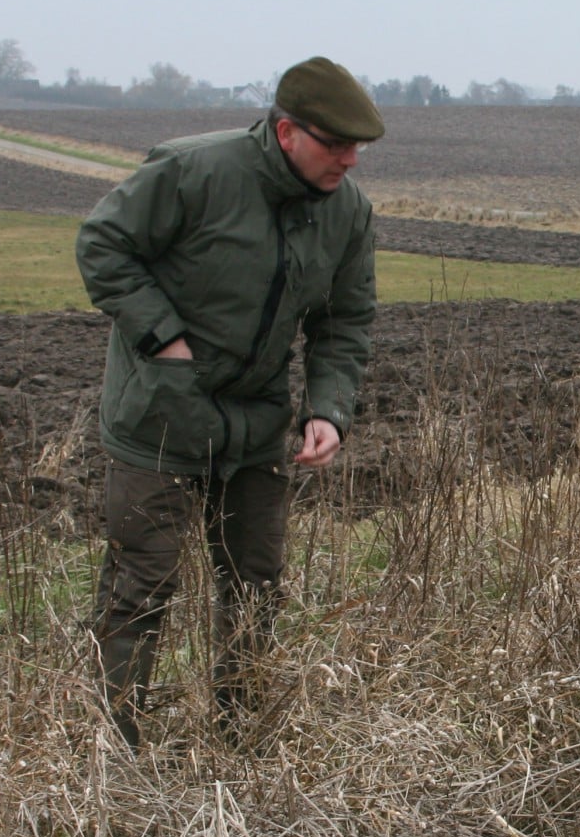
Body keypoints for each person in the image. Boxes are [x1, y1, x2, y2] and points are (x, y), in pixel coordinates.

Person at [76, 56, 383, 748]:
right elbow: (103, 244)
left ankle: (240, 741)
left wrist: (327, 409)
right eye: (335, 145)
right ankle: (113, 751)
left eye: (358, 146)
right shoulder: (194, 172)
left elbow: (344, 321)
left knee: (256, 587)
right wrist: (166, 343)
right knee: (139, 588)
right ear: (286, 133)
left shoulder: (348, 213)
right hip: (159, 414)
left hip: (256, 425)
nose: (351, 160)